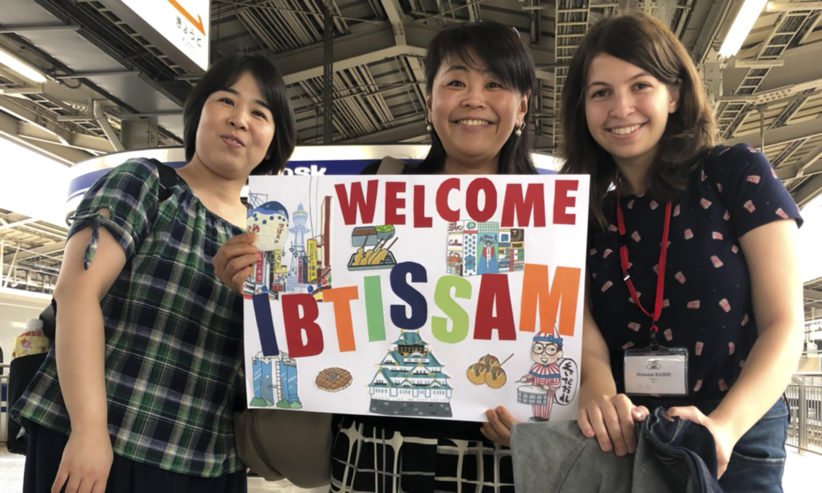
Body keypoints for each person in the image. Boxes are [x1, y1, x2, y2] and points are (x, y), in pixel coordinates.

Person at [213, 20, 536, 493]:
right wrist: (255, 279)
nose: (474, 98)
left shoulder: (552, 219)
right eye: (455, 82)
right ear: (429, 103)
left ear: (522, 106)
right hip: (374, 448)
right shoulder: (373, 188)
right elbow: (313, 301)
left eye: (495, 83)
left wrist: (544, 426)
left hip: (497, 454)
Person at [485, 11, 803, 492]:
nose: (620, 107)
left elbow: (785, 323)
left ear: (673, 94)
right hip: (632, 441)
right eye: (600, 93)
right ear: (583, 109)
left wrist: (724, 428)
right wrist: (600, 395)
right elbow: (583, 331)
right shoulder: (589, 215)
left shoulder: (735, 174)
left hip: (736, 433)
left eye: (640, 86)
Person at [11, 53, 296, 493]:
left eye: (260, 113)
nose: (241, 120)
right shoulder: (147, 184)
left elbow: (284, 361)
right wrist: (89, 432)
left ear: (274, 139)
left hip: (209, 462)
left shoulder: (276, 239)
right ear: (198, 113)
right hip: (103, 447)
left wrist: (260, 302)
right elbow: (77, 293)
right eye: (227, 101)